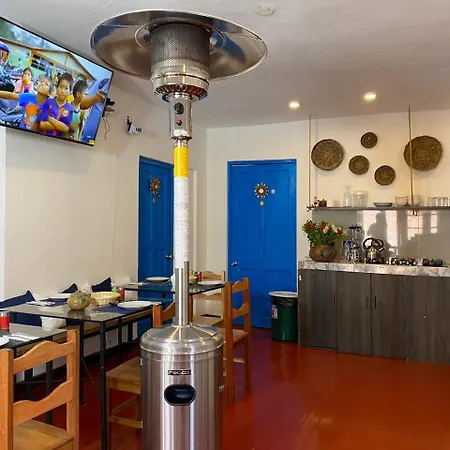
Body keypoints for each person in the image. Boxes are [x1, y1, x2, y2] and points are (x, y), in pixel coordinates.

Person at [39, 73, 74, 137]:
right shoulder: (49, 102)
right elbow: (42, 125)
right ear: (57, 87)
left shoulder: (70, 109)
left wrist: (50, 119)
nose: (62, 91)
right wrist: (60, 126)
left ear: (70, 92)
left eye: (66, 88)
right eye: (60, 87)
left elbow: (66, 129)